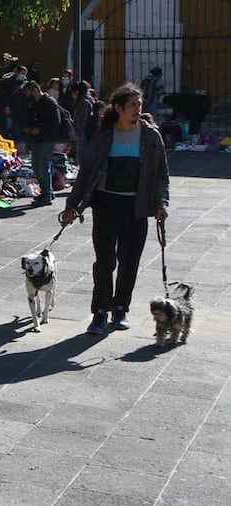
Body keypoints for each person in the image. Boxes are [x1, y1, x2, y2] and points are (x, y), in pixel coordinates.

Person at [61, 84, 170, 335]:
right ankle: (100, 312)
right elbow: (86, 172)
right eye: (132, 105)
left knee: (129, 261)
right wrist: (72, 206)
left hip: (137, 206)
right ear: (118, 108)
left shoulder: (151, 136)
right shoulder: (105, 135)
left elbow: (162, 175)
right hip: (106, 204)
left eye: (139, 104)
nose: (137, 109)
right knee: (105, 261)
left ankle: (120, 307)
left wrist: (161, 203)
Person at [22, 81, 61, 206]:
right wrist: (27, 127)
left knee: (42, 167)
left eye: (29, 93)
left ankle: (46, 195)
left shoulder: (49, 102)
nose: (28, 96)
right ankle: (47, 192)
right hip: (36, 139)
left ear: (34, 90)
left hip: (47, 139)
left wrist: (40, 129)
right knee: (36, 166)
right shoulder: (34, 103)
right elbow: (29, 117)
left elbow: (55, 122)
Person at [71, 81, 95, 163]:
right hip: (87, 130)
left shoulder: (83, 102)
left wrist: (78, 131)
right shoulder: (88, 100)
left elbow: (82, 119)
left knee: (81, 153)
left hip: (83, 131)